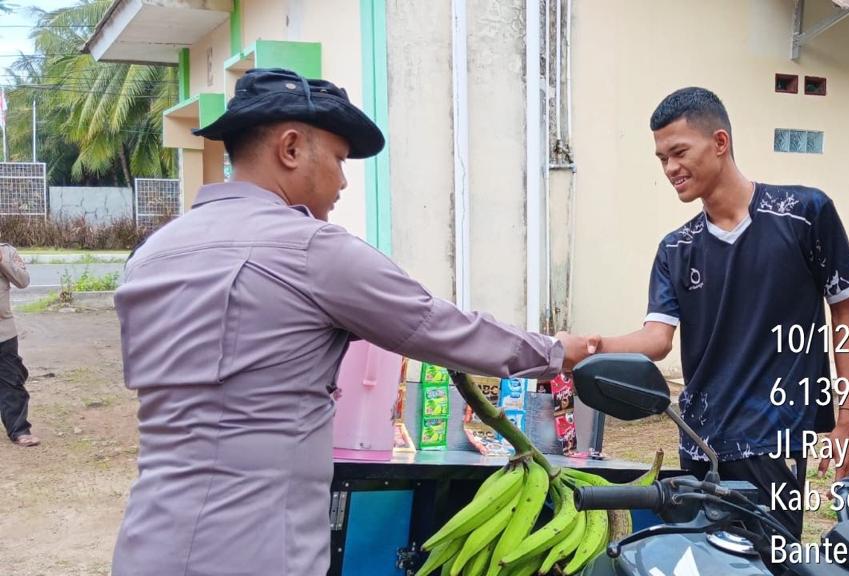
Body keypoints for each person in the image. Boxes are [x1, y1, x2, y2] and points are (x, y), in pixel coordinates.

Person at [110, 68, 595, 576]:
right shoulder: (310, 250)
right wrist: (555, 351)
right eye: (340, 160)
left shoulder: (153, 254)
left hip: (148, 542)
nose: (343, 182)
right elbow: (439, 326)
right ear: (290, 148)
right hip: (254, 550)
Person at [595, 87, 849, 537]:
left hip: (772, 441)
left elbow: (845, 314)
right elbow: (657, 339)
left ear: (719, 142)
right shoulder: (676, 248)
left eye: (679, 152)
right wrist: (592, 347)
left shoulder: (803, 215)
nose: (670, 168)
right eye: (662, 158)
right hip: (698, 446)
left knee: (770, 563)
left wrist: (848, 417)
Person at [0, 242, 35, 447]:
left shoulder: (7, 251)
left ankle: (19, 429)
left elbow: (23, 281)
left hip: (3, 332)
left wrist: (3, 262)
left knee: (12, 380)